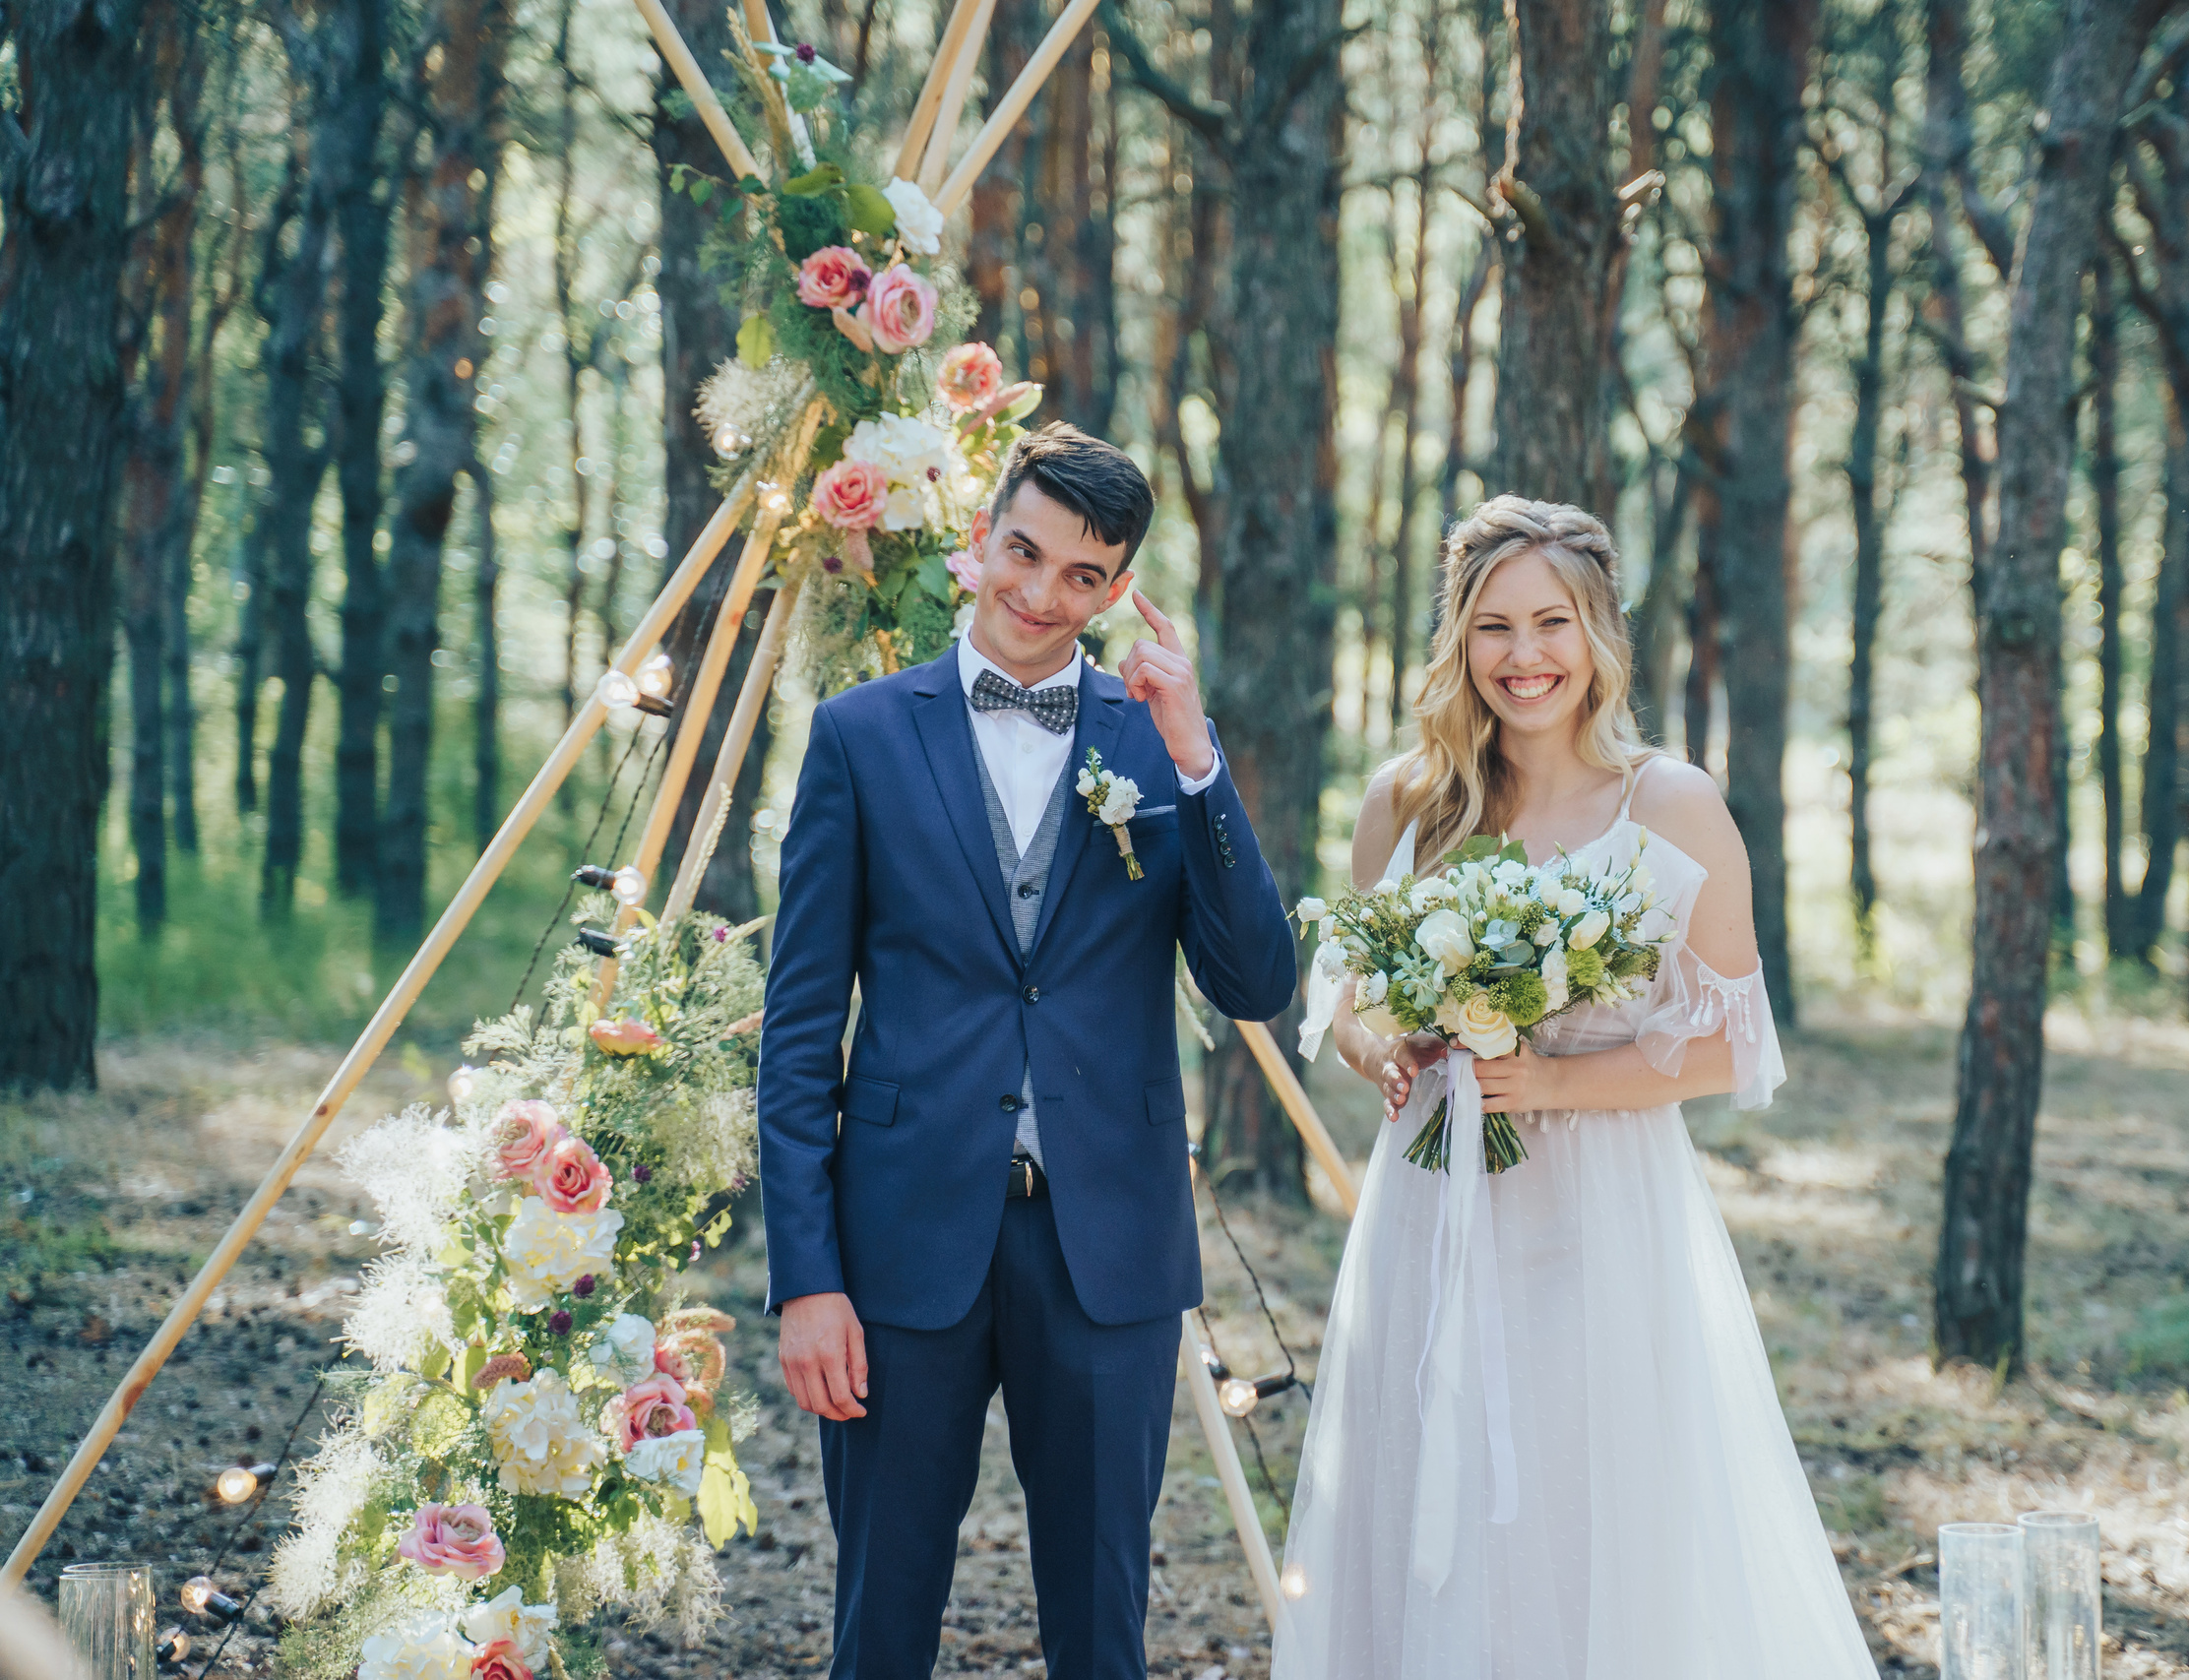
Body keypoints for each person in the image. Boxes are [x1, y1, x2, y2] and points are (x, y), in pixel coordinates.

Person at [1274, 497, 1879, 1678]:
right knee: (1430, 1491)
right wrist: (1386, 1048)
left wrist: (1549, 1076)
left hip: (1601, 1215)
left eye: (1551, 622)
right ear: (1459, 640)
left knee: (1579, 1505)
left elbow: (1732, 1047)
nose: (1524, 656)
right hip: (1430, 1207)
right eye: (1493, 627)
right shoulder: (1407, 801)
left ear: (1599, 634)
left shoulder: (1669, 803)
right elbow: (1345, 1002)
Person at [757, 422, 1300, 1680]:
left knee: (1102, 1632)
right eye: (1024, 552)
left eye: (1081, 575)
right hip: (898, 1252)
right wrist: (807, 1279)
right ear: (978, 540)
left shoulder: (1154, 741)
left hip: (1107, 1250)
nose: (1041, 594)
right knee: (880, 1624)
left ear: (1118, 591)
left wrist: (1196, 760)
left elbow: (1256, 982)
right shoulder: (858, 736)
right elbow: (798, 1034)